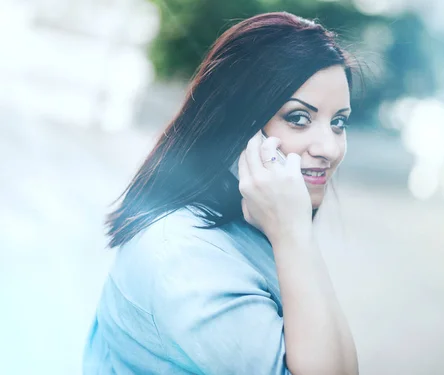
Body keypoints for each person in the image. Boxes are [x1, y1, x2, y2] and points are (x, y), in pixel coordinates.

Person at [83, 11, 359, 375]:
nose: (330, 147)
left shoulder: (264, 219)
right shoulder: (183, 260)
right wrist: (294, 236)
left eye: (338, 122)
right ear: (237, 123)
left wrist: (295, 234)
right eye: (298, 118)